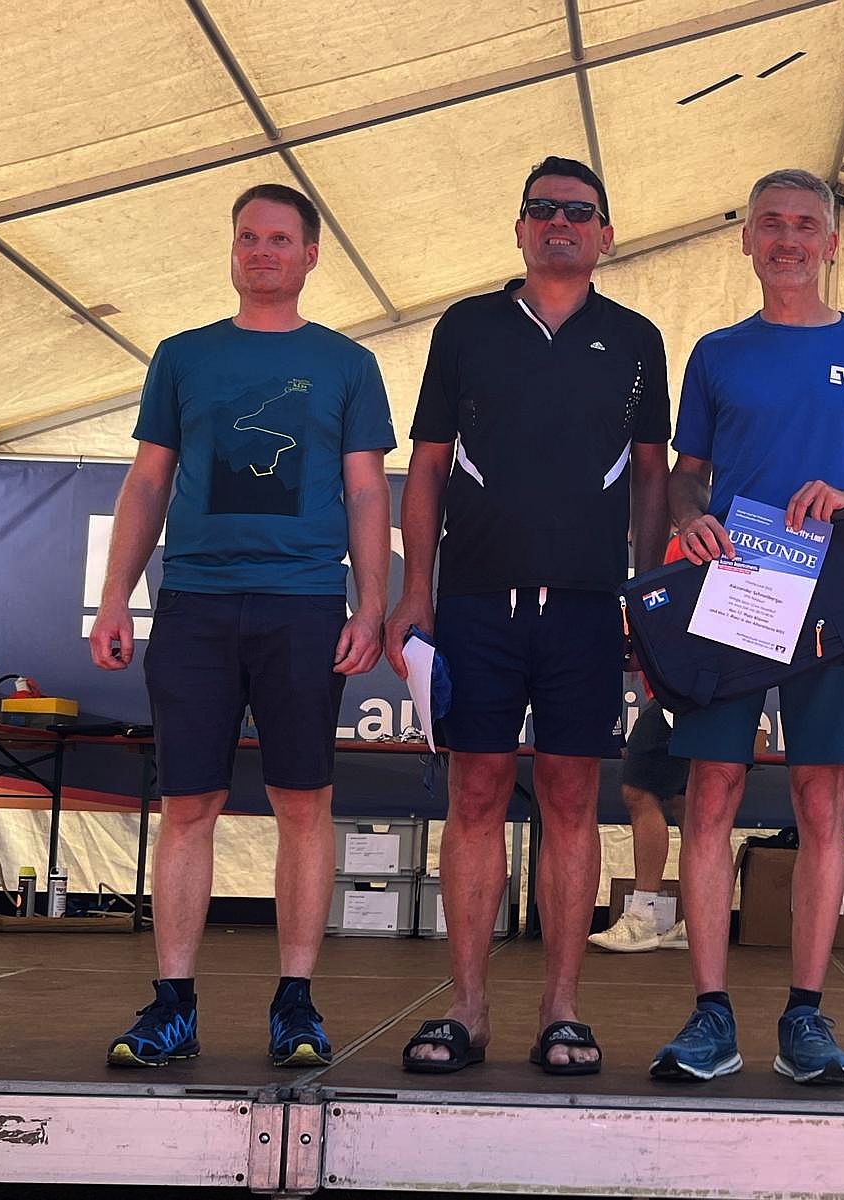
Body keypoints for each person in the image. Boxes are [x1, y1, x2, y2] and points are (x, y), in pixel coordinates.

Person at [89, 183, 394, 1069]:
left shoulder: (347, 364)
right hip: (195, 602)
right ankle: (172, 1005)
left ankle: (296, 1004)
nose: (263, 251)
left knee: (304, 803)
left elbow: (367, 491)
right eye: (249, 237)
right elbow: (148, 482)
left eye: (280, 239)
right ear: (232, 250)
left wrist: (371, 605)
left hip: (303, 605)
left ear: (310, 255)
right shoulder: (182, 356)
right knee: (189, 804)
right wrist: (115, 596)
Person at [386, 156, 670, 1075]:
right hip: (475, 601)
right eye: (543, 209)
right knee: (473, 794)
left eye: (579, 213)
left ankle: (562, 1011)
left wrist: (646, 600)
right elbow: (428, 465)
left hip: (586, 608)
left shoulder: (636, 339)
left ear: (605, 236)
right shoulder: (466, 327)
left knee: (572, 797)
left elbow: (653, 478)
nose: (561, 223)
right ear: (518, 229)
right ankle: (465, 1010)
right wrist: (415, 592)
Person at [649, 168, 844, 1086]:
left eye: (806, 224)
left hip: (829, 596)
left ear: (831, 242)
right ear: (747, 239)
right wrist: (690, 515)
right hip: (733, 586)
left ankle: (805, 1015)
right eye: (771, 222)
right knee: (711, 794)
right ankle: (710, 1014)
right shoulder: (717, 352)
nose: (788, 239)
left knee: (821, 801)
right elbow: (688, 472)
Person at [588, 699, 690, 953]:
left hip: (680, 695)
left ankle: (642, 918)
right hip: (703, 695)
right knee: (688, 801)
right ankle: (700, 921)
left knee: (638, 791)